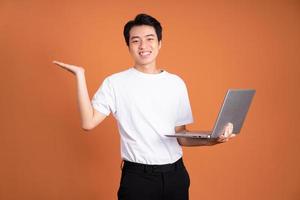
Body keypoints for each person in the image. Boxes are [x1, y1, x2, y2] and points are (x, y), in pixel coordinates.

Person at [53, 13, 235, 200]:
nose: (143, 46)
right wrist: (80, 76)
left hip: (176, 176)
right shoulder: (115, 83)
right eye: (136, 41)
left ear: (160, 43)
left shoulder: (176, 83)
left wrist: (212, 138)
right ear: (129, 46)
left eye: (150, 39)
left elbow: (182, 136)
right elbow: (88, 122)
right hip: (138, 179)